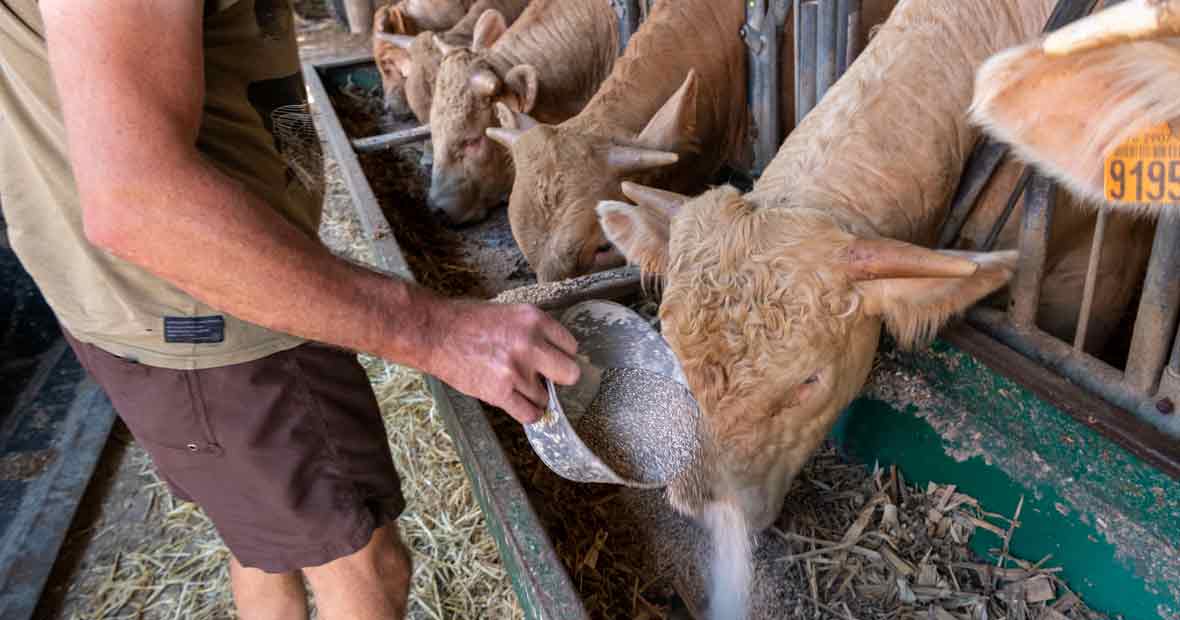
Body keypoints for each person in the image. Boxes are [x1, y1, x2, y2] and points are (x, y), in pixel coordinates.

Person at [0, 1, 580, 618]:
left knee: (263, 540)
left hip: (158, 304)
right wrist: (438, 331)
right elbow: (135, 199)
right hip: (217, 317)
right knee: (367, 567)